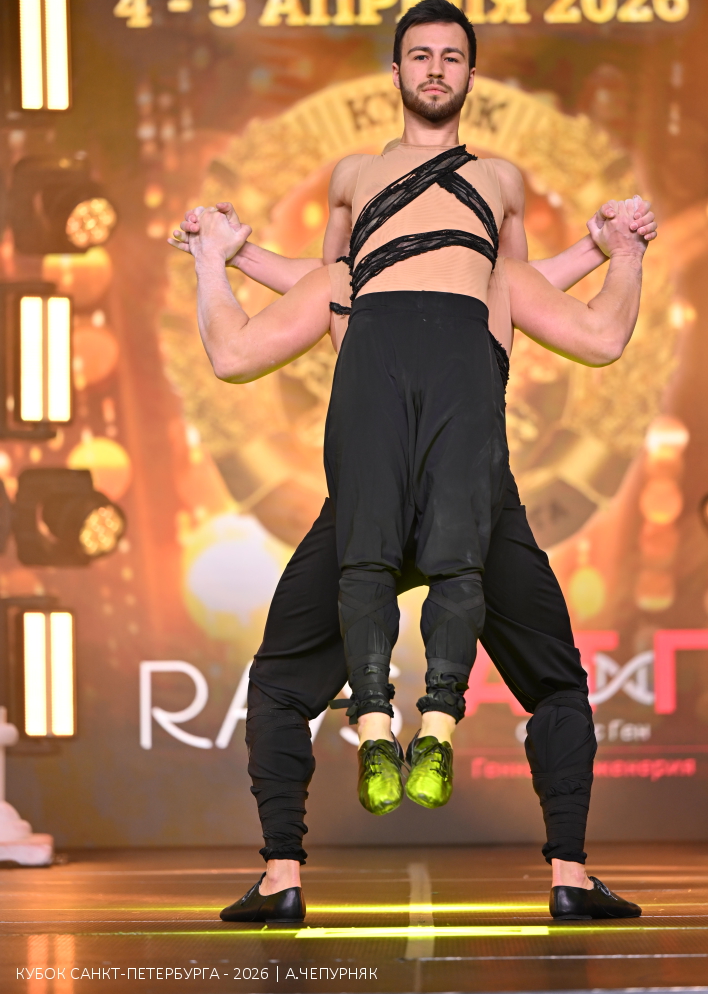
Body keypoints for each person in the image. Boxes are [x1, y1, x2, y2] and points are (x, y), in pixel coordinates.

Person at [176, 179, 651, 924]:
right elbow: (598, 334)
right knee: (556, 685)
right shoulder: (494, 285)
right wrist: (618, 250)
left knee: (278, 687)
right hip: (476, 508)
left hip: (371, 507)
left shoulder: (344, 287)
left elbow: (241, 346)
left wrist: (217, 258)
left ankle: (282, 876)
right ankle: (569, 876)